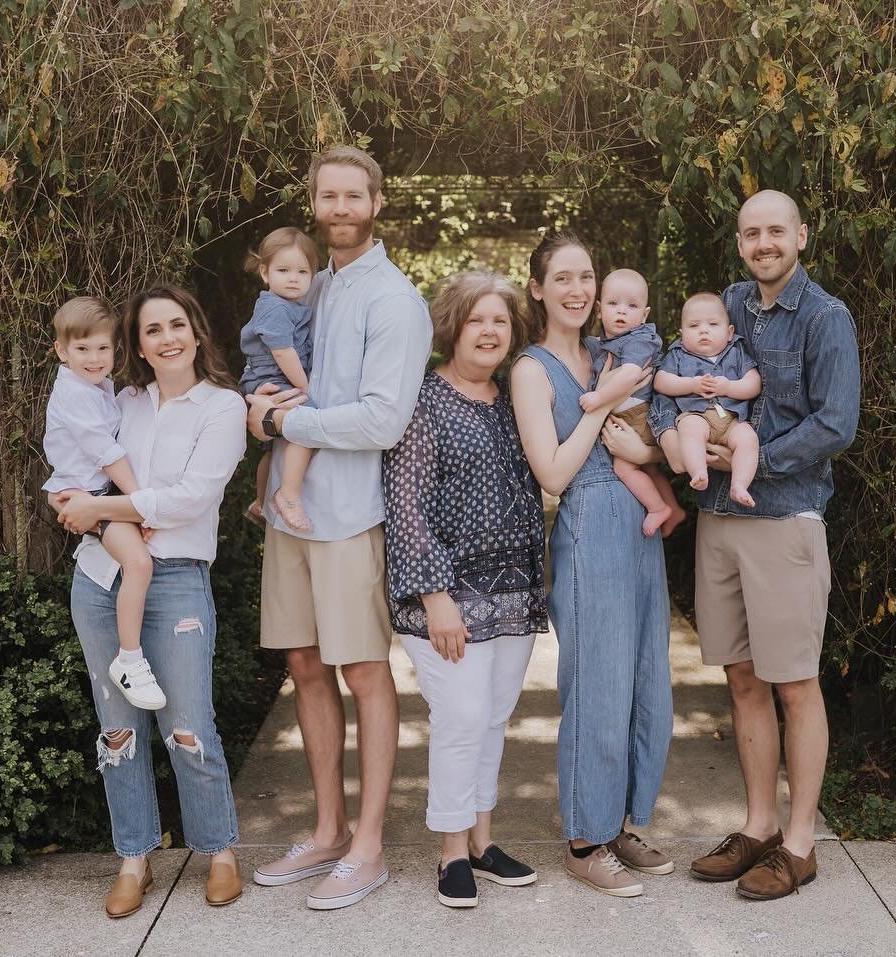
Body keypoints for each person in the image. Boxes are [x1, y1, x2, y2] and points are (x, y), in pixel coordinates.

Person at [650, 190, 860, 900]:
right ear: (739, 242)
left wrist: (754, 459)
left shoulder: (827, 317)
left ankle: (799, 842)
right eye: (751, 233)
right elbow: (675, 361)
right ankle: (760, 824)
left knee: (795, 682)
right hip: (719, 518)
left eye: (776, 230)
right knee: (742, 678)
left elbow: (836, 425)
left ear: (801, 234)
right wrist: (662, 436)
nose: (764, 242)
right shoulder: (731, 304)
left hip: (784, 520)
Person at [246, 145, 432, 911]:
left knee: (361, 670)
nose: (341, 207)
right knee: (305, 663)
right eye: (329, 195)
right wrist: (262, 409)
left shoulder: (395, 299)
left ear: (377, 203)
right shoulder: (307, 287)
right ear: (316, 203)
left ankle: (368, 845)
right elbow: (266, 375)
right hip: (293, 512)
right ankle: (325, 829)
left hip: (351, 513)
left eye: (355, 195)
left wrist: (287, 412)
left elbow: (385, 420)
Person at [51, 284, 248, 916]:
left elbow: (189, 498)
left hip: (178, 577)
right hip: (99, 578)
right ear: (137, 345)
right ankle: (133, 858)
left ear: (196, 330)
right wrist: (73, 503)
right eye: (152, 330)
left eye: (176, 325)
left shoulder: (221, 407)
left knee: (187, 725)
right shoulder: (120, 400)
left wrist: (95, 507)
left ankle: (218, 851)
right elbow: (78, 462)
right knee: (117, 731)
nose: (167, 338)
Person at [510, 230, 675, 899]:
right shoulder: (531, 368)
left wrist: (646, 453)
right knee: (597, 686)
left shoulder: (612, 349)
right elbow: (551, 471)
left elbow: (651, 437)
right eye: (565, 278)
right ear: (539, 288)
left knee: (647, 684)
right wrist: (603, 402)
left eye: (588, 276)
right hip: (587, 530)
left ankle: (619, 822)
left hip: (640, 526)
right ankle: (584, 837)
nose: (579, 290)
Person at [382, 270, 548, 909]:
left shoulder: (512, 398)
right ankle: (451, 851)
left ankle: (482, 841)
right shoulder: (423, 399)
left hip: (514, 592)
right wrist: (434, 595)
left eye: (500, 321)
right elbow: (406, 503)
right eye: (477, 320)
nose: (489, 331)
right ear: (452, 327)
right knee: (461, 718)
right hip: (447, 596)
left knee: (495, 718)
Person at [42, 297, 163, 710]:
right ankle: (128, 659)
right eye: (82, 349)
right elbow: (105, 452)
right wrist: (139, 504)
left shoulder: (96, 387)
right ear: (61, 351)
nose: (94, 358)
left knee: (137, 562)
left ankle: (130, 654)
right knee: (139, 563)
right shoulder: (75, 394)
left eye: (103, 349)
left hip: (99, 494)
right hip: (91, 496)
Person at [579, 268, 684, 536]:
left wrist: (599, 397)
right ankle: (674, 509)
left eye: (632, 305)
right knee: (648, 467)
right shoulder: (607, 342)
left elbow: (630, 375)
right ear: (600, 309)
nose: (622, 311)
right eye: (614, 304)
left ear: (644, 315)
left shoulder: (639, 340)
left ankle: (658, 507)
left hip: (641, 415)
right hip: (635, 415)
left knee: (625, 467)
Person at [238, 227, 320, 532]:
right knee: (306, 423)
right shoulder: (273, 306)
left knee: (272, 450)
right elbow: (283, 352)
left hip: (269, 377)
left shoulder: (288, 305)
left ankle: (260, 500)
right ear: (265, 272)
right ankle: (288, 496)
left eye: (302, 271)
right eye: (283, 270)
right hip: (274, 376)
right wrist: (304, 387)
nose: (293, 278)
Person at [652, 292, 763, 507]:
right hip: (696, 415)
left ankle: (739, 484)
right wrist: (691, 385)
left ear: (729, 332)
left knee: (749, 439)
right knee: (690, 430)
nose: (703, 330)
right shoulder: (678, 354)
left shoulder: (736, 352)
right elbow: (661, 381)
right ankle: (699, 472)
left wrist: (729, 387)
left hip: (732, 420)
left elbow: (754, 383)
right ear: (682, 334)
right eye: (694, 326)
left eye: (713, 324)